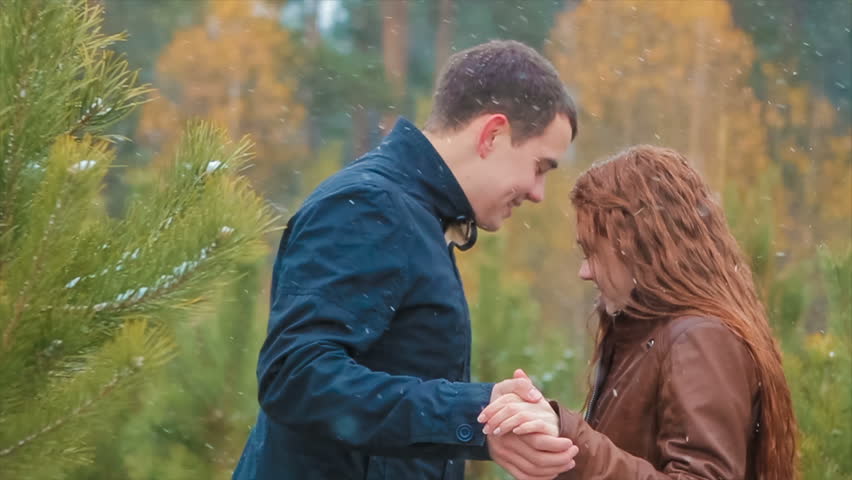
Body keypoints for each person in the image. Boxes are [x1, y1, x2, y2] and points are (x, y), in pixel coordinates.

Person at [233, 40, 580, 480]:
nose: (538, 193)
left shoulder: (414, 216)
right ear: (493, 133)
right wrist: (475, 413)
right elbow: (296, 376)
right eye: (540, 167)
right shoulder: (371, 207)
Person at [479, 145, 798, 479]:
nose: (584, 272)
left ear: (637, 245)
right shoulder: (646, 336)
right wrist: (555, 445)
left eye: (592, 251)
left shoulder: (700, 339)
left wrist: (572, 438)